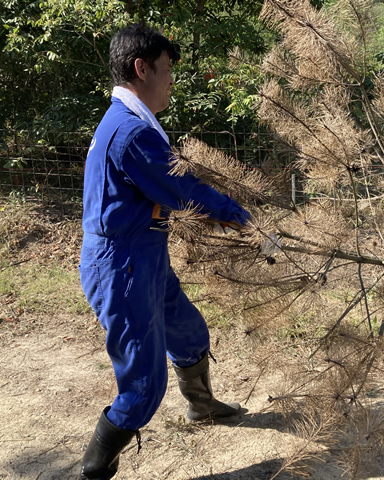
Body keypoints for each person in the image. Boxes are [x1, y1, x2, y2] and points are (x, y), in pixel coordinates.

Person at [78, 24, 250, 480]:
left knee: (189, 331)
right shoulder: (131, 133)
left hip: (144, 256)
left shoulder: (127, 123)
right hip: (122, 266)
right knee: (142, 388)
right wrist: (241, 218)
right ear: (142, 68)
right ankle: (94, 470)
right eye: (168, 69)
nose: (172, 79)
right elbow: (180, 189)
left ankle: (203, 407)